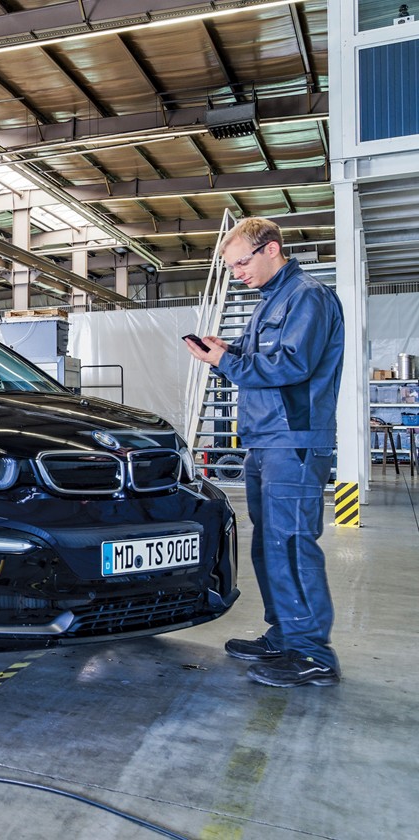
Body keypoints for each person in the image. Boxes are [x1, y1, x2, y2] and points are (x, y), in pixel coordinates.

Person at [184, 217, 344, 688]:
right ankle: (286, 635)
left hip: (292, 441)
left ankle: (313, 653)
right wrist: (227, 351)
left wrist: (225, 360)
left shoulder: (307, 297)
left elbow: (291, 365)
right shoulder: (271, 302)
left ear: (271, 249)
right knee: (269, 544)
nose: (236, 273)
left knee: (292, 544)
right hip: (264, 440)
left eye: (240, 262)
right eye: (231, 266)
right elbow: (261, 363)